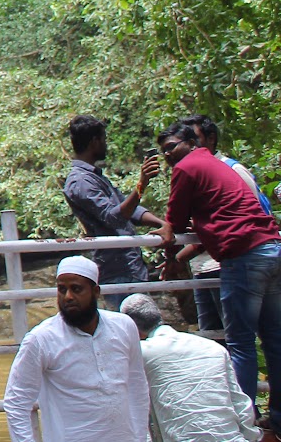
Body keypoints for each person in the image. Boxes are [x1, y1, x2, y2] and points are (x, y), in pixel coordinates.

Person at [156, 119, 281, 441]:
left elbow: (175, 221)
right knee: (274, 340)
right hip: (271, 248)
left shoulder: (187, 167)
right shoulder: (215, 163)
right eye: (164, 150)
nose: (169, 155)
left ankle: (243, 423)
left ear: (191, 143)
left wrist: (169, 249)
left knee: (240, 344)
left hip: (243, 254)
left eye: (172, 147)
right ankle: (278, 419)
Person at [2, 255, 149, 442]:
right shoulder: (41, 339)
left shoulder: (124, 326)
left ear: (95, 291)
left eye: (76, 289)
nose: (68, 297)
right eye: (61, 290)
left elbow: (137, 386)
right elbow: (16, 402)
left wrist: (140, 437)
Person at [171, 115, 274, 340]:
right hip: (202, 268)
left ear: (210, 139)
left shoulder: (230, 169)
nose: (190, 145)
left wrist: (178, 258)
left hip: (229, 262)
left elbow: (250, 216)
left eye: (194, 138)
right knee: (213, 338)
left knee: (240, 337)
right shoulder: (192, 170)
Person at [119, 293, 260, 442]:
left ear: (133, 329)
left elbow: (134, 412)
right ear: (159, 316)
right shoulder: (213, 348)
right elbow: (241, 404)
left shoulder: (140, 353)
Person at [62, 114, 166, 308]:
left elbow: (129, 209)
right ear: (95, 141)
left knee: (140, 329)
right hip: (119, 271)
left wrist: (162, 224)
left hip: (130, 267)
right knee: (127, 330)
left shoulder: (95, 177)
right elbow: (115, 218)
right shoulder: (81, 182)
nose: (106, 145)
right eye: (104, 139)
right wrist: (142, 183)